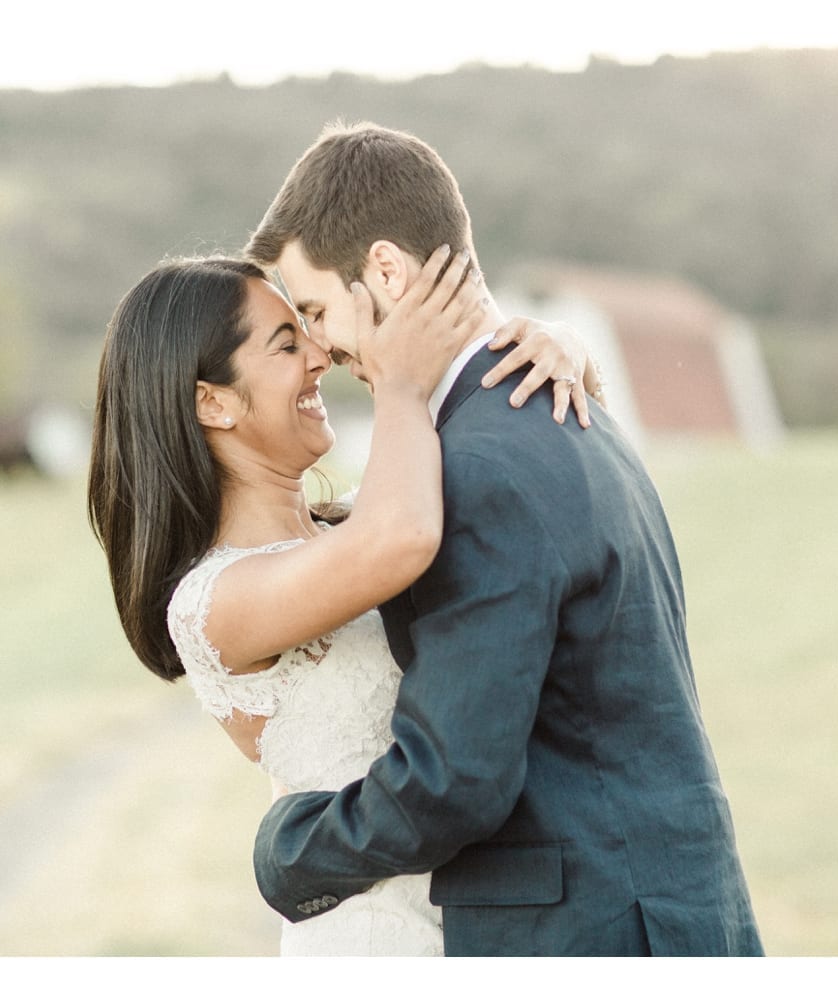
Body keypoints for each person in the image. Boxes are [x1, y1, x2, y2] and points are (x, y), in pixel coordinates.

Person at [242, 121, 764, 956]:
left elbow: (454, 781)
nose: (322, 348)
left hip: (588, 932)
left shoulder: (480, 465)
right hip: (665, 913)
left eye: (315, 310)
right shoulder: (569, 405)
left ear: (385, 270)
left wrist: (286, 851)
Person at [87, 249, 602, 956]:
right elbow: (401, 538)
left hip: (487, 923)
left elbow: (502, 482)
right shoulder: (211, 602)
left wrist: (562, 343)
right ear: (214, 401)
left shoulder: (353, 524)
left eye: (311, 329)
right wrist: (400, 388)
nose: (320, 356)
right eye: (287, 343)